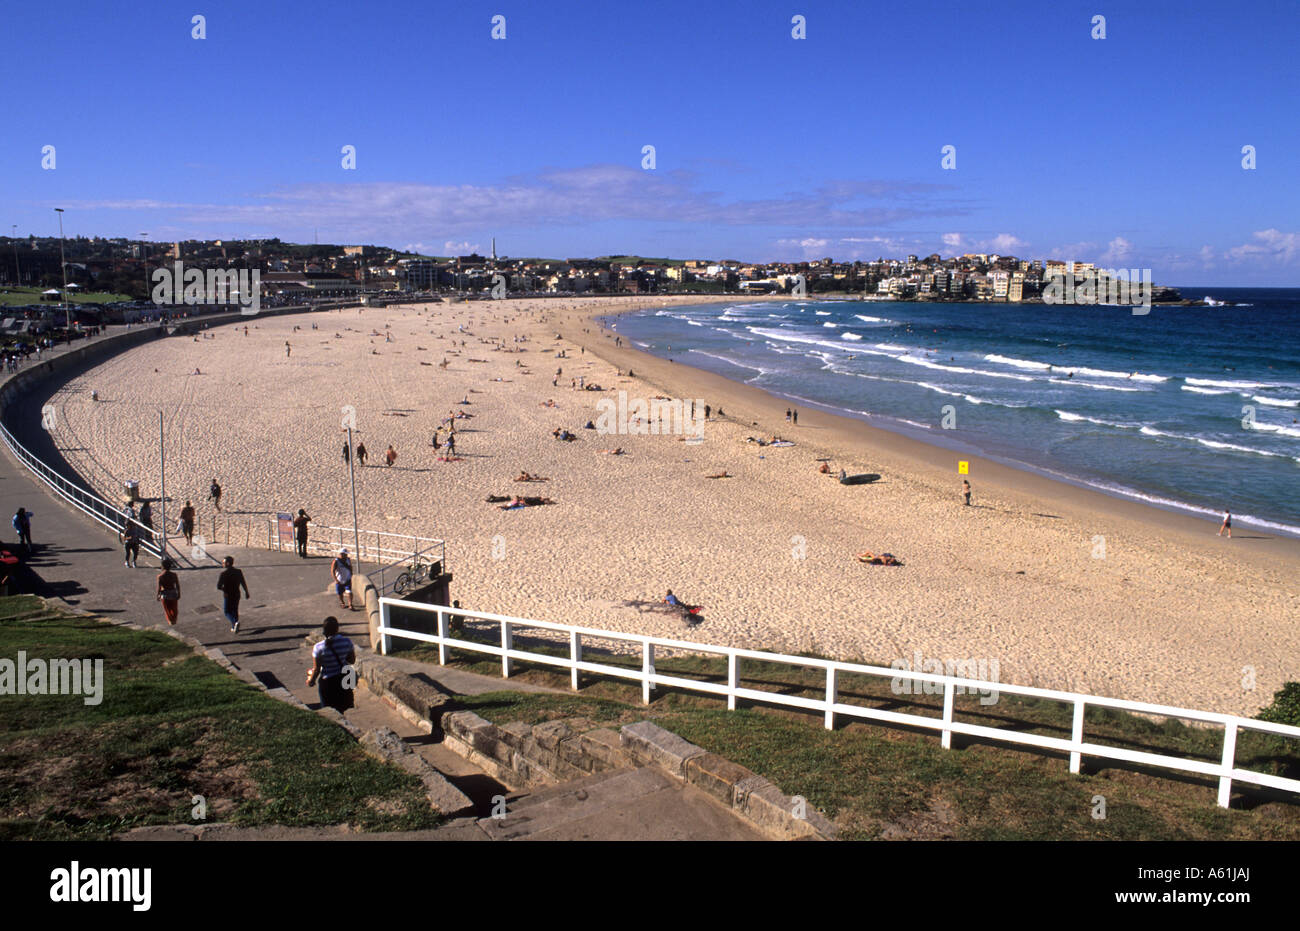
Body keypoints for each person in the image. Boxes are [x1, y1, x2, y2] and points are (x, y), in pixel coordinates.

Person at [306, 616, 356, 713]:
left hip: (328, 682)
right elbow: (352, 661)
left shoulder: (319, 647)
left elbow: (317, 669)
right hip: (343, 679)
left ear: (324, 631)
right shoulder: (346, 642)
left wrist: (311, 681)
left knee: (328, 710)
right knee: (342, 708)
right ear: (337, 628)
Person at [216, 556, 249, 633]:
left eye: (223, 562)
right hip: (237, 593)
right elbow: (243, 582)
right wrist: (246, 592)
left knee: (227, 611)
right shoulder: (238, 571)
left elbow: (218, 586)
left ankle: (235, 623)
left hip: (228, 595)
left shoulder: (223, 574)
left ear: (227, 563)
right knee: (235, 610)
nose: (222, 564)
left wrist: (224, 590)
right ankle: (234, 626)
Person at [156, 558, 181, 627]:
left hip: (165, 594)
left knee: (167, 609)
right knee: (174, 608)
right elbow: (177, 585)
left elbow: (159, 588)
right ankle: (174, 619)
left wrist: (158, 595)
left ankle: (170, 621)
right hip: (173, 593)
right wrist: (179, 593)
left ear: (162, 566)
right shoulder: (174, 575)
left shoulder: (160, 577)